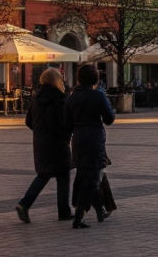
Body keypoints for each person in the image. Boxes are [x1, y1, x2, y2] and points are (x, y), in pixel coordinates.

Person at [15, 68, 72, 224]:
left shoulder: (36, 98)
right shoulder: (60, 99)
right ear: (57, 80)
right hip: (59, 143)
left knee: (43, 174)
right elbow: (64, 122)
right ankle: (64, 211)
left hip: (41, 143)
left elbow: (28, 121)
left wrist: (39, 132)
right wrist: (67, 135)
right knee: (63, 175)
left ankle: (24, 204)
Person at [66, 64, 115, 229]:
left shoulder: (72, 97)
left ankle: (100, 209)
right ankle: (79, 215)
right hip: (94, 140)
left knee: (84, 174)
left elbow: (66, 122)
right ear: (95, 78)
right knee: (93, 177)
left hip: (78, 139)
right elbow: (109, 118)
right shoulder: (98, 96)